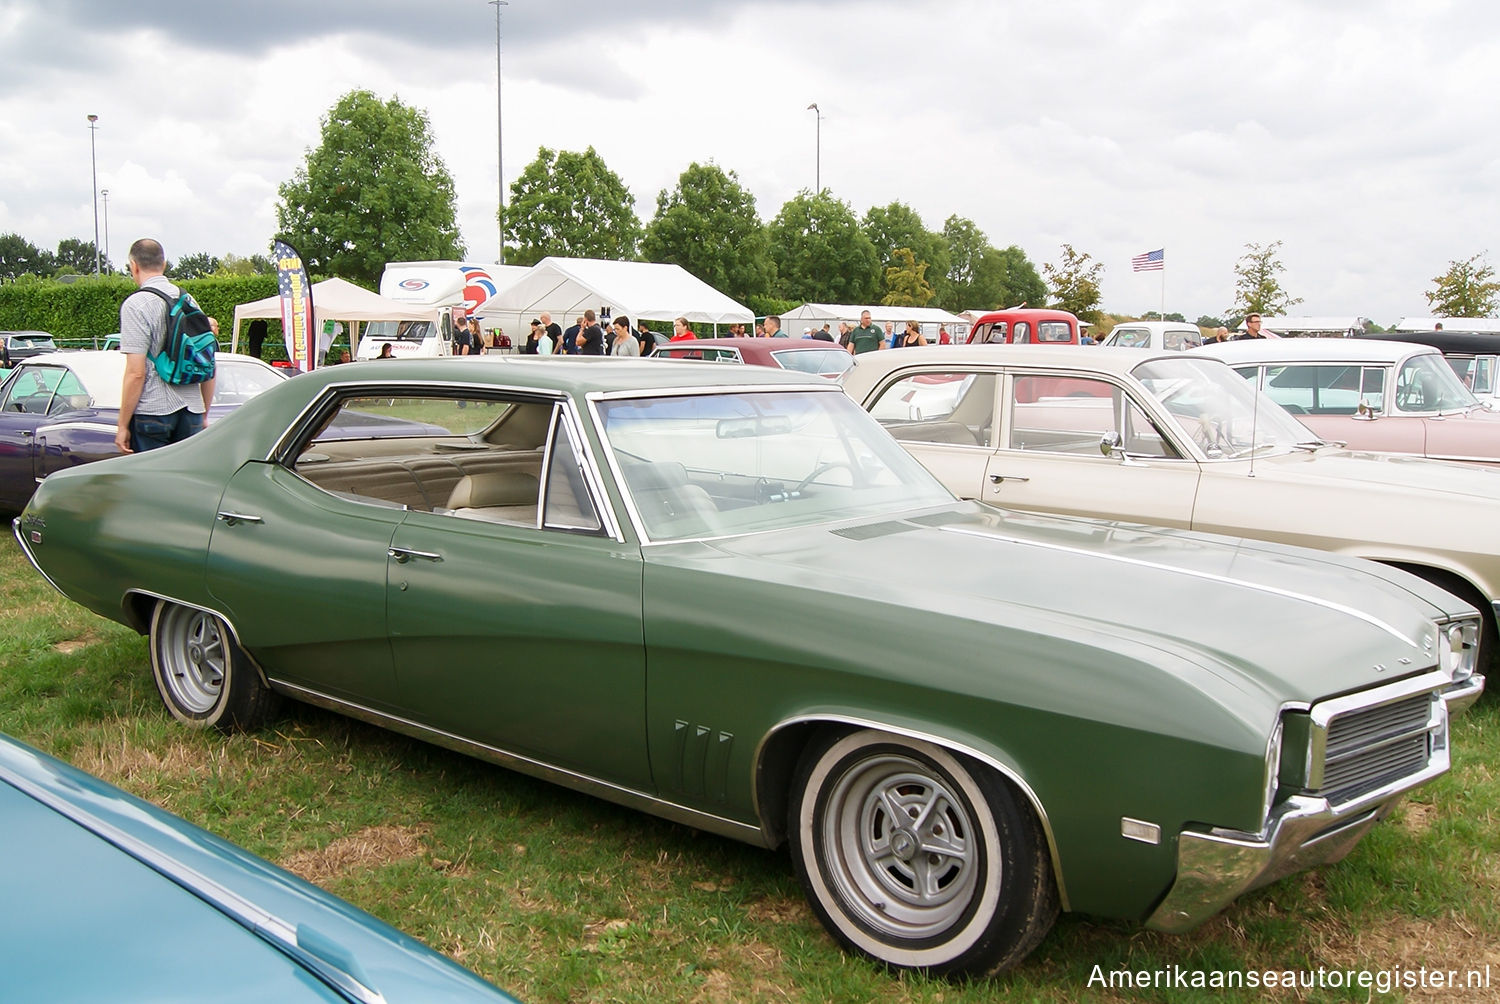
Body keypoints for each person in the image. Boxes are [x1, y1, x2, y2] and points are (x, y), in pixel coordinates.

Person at [114, 238, 215, 454]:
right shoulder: (189, 301)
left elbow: (136, 373)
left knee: (151, 485)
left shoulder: (135, 305)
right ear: (164, 264)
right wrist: (203, 412)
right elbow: (208, 360)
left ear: (134, 266)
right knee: (186, 484)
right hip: (192, 411)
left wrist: (122, 425)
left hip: (153, 412)